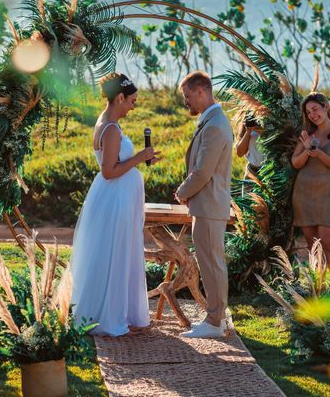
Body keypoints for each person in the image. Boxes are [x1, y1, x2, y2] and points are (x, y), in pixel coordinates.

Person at [71, 73, 160, 336]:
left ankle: (123, 312)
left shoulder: (110, 124)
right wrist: (139, 157)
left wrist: (140, 159)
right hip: (115, 201)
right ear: (120, 98)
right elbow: (108, 171)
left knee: (120, 254)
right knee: (116, 255)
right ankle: (111, 317)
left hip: (118, 199)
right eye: (132, 100)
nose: (134, 105)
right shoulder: (109, 128)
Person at [175, 71, 234, 339]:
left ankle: (214, 321)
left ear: (201, 91)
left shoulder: (214, 125)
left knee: (212, 263)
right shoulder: (212, 121)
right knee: (211, 261)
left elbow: (202, 171)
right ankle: (215, 317)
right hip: (207, 206)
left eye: (188, 96)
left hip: (209, 205)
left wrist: (183, 192)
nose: (186, 102)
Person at [291, 93, 330, 277]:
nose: (312, 115)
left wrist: (319, 154)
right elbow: (295, 162)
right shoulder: (307, 135)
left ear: (325, 107)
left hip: (329, 195)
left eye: (315, 109)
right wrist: (308, 151)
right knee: (313, 247)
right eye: (308, 112)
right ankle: (319, 292)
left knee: (329, 245)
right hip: (304, 195)